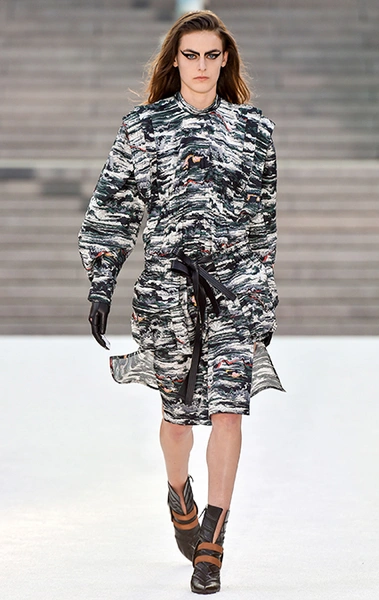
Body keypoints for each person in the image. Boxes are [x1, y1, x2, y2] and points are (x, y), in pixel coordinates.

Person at [78, 10, 284, 595]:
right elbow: (114, 206)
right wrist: (102, 281)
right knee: (175, 419)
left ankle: (212, 545)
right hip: (168, 290)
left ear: (225, 60)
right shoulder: (143, 128)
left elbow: (262, 222)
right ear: (176, 60)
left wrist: (263, 296)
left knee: (229, 410)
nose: (201, 65)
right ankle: (180, 498)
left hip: (235, 288)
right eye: (190, 55)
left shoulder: (254, 130)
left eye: (211, 55)